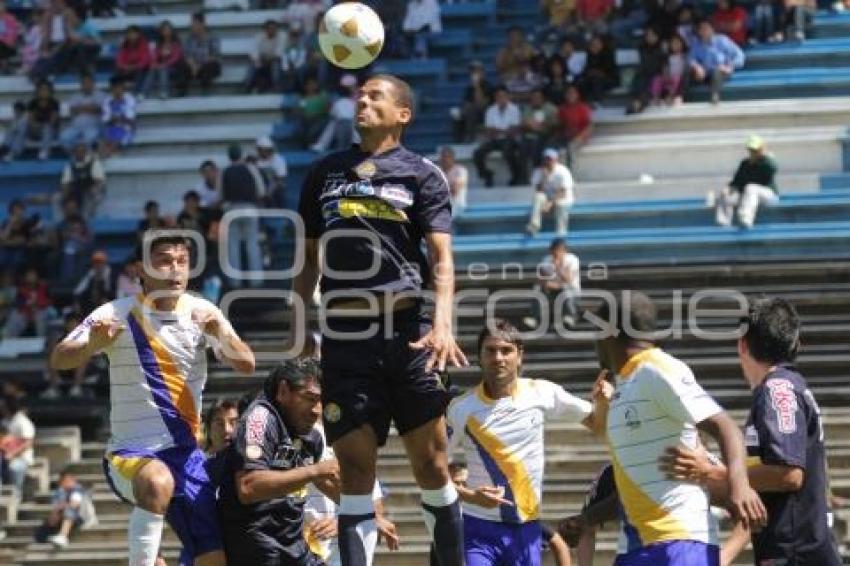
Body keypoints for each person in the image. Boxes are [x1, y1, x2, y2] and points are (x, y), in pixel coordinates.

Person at [292, 74, 468, 566]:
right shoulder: (324, 173)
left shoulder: (422, 174)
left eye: (375, 96)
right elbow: (307, 260)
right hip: (346, 341)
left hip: (408, 336)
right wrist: (302, 325)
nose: (362, 100)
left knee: (432, 465)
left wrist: (443, 324)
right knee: (354, 471)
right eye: (360, 95)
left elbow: (442, 259)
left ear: (403, 114)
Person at [49, 232, 255, 566]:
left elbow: (246, 364)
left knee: (216, 558)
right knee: (157, 481)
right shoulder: (116, 313)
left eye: (182, 262)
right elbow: (59, 359)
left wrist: (220, 334)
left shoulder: (203, 311)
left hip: (188, 456)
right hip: (130, 454)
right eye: (164, 260)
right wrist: (91, 344)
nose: (175, 269)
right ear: (139, 270)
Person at [660, 297, 842, 565]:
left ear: (742, 345)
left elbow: (789, 473)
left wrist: (712, 471)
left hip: (796, 554)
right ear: (797, 345)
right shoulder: (789, 386)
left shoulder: (776, 389)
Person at [595, 291, 766, 565]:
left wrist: (740, 484)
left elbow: (725, 426)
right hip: (636, 546)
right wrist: (586, 519)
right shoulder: (624, 384)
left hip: (680, 544)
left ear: (608, 332)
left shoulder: (658, 368)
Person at [446, 319, 611, 566]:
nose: (498, 358)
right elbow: (433, 474)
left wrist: (604, 403)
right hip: (477, 528)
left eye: (506, 350)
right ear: (479, 357)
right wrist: (471, 496)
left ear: (519, 356)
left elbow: (597, 425)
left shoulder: (542, 392)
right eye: (490, 350)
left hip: (526, 529)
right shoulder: (461, 408)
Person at [217, 360, 339, 564]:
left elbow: (325, 482)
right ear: (283, 391)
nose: (317, 410)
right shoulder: (260, 419)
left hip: (295, 548)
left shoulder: (310, 437)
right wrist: (316, 470)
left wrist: (360, 509)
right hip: (258, 549)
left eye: (321, 401)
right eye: (310, 398)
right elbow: (249, 486)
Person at [220, 143, 265, 289]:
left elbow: (221, 194)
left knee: (232, 246)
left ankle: (235, 282)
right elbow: (261, 191)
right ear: (241, 155)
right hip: (250, 208)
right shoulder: (250, 169)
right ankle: (256, 281)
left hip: (231, 209)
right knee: (252, 244)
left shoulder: (224, 171)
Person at [709, 135, 778, 228]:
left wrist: (765, 157)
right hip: (749, 197)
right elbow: (737, 181)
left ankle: (746, 218)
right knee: (727, 194)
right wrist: (728, 188)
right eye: (751, 150)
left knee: (750, 187)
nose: (753, 153)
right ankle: (723, 222)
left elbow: (774, 168)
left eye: (755, 150)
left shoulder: (767, 162)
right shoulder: (745, 164)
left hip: (768, 196)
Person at [523, 237, 580, 330]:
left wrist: (557, 266)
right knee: (537, 288)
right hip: (553, 289)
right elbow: (541, 279)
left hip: (571, 291)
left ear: (565, 251)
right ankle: (535, 318)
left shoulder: (572, 259)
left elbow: (568, 279)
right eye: (554, 250)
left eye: (559, 250)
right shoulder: (546, 260)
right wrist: (547, 284)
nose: (556, 253)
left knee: (566, 288)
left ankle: (570, 316)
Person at [473, 86, 522, 187]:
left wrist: (498, 130)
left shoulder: (514, 109)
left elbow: (514, 130)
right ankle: (487, 174)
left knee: (508, 151)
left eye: (503, 96)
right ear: (495, 98)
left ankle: (516, 176)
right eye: (499, 96)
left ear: (508, 97)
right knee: (478, 153)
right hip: (494, 140)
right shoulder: (490, 110)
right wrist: (504, 130)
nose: (501, 98)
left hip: (510, 140)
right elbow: (489, 131)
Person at [689, 19, 745, 104]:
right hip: (705, 73)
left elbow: (739, 55)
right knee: (687, 73)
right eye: (702, 29)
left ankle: (714, 95)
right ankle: (677, 97)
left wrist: (730, 66)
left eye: (707, 28)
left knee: (716, 71)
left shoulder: (722, 40)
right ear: (699, 32)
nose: (704, 31)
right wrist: (697, 67)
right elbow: (690, 58)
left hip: (721, 71)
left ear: (712, 29)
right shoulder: (696, 44)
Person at [3, 79, 60, 161]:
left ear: (50, 91)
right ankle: (13, 153)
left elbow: (52, 121)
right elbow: (29, 119)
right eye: (41, 89)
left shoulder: (54, 103)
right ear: (37, 91)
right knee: (23, 125)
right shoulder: (33, 103)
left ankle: (44, 152)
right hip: (34, 130)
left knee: (47, 127)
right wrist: (34, 124)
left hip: (50, 132)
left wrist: (38, 124)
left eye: (46, 90)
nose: (43, 92)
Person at [525, 149, 575, 237]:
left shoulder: (563, 171)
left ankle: (561, 232)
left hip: (562, 198)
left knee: (561, 204)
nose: (548, 161)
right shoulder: (538, 172)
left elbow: (563, 193)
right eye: (546, 159)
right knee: (538, 197)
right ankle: (534, 226)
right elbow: (539, 190)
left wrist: (550, 204)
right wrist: (544, 177)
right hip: (547, 198)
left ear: (556, 160)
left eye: (550, 159)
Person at [35, 469, 88, 548]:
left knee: (69, 511)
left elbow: (74, 504)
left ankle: (63, 536)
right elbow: (56, 506)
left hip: (79, 516)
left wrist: (60, 508)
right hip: (62, 516)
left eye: (68, 480)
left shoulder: (78, 489)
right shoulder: (59, 492)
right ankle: (44, 538)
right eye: (64, 480)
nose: (66, 482)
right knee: (48, 522)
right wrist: (55, 513)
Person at [59, 73, 107, 153]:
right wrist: (89, 108)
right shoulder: (76, 96)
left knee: (89, 138)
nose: (86, 85)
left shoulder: (101, 95)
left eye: (88, 82)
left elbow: (100, 109)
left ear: (93, 83)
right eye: (84, 83)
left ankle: (87, 158)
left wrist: (82, 108)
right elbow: (72, 110)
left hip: (92, 127)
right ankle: (76, 155)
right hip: (75, 127)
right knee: (64, 137)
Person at [59, 141, 106, 220]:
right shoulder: (70, 166)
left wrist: (93, 188)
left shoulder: (93, 162)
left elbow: (100, 180)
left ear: (85, 152)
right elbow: (65, 183)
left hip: (91, 190)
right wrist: (66, 192)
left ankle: (88, 219)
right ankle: (64, 221)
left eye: (82, 151)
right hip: (76, 191)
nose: (80, 153)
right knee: (57, 198)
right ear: (74, 153)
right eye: (77, 152)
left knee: (92, 194)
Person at [4, 267, 55, 339]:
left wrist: (37, 304)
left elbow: (49, 301)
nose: (31, 277)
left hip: (42, 310)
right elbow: (19, 303)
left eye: (33, 275)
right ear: (25, 277)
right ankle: (8, 340)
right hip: (26, 312)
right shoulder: (21, 288)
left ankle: (41, 341)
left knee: (40, 317)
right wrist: (28, 307)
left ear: (37, 276)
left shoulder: (43, 287)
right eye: (29, 275)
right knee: (15, 316)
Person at [142, 20, 187, 100]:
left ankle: (164, 92)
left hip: (174, 67)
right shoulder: (159, 44)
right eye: (164, 30)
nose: (166, 32)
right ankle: (144, 93)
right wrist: (155, 64)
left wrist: (164, 64)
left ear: (171, 31)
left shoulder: (175, 43)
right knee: (152, 69)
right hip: (161, 66)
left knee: (163, 69)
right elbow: (155, 56)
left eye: (168, 29)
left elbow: (176, 58)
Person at [180, 12, 222, 96]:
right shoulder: (189, 39)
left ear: (202, 24)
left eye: (195, 24)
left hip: (207, 65)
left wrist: (200, 65)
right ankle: (182, 93)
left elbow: (214, 55)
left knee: (210, 66)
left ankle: (205, 94)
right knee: (181, 65)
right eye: (192, 24)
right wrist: (193, 65)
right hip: (194, 68)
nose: (192, 26)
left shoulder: (212, 37)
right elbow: (187, 55)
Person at [626, 28, 665, 114]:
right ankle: (636, 103)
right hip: (642, 75)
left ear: (657, 37)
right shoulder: (641, 48)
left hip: (655, 77)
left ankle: (638, 104)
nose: (650, 38)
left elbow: (662, 68)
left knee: (648, 88)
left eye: (653, 35)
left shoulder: (662, 50)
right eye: (648, 36)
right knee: (639, 83)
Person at [452, 60, 492, 143]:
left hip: (486, 113)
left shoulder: (487, 85)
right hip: (471, 111)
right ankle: (458, 142)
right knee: (456, 115)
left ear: (482, 72)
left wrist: (477, 86)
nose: (474, 74)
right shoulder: (469, 88)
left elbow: (481, 103)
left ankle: (471, 138)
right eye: (473, 72)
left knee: (472, 111)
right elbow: (466, 102)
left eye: (477, 71)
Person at [3, 393, 35, 496]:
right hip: (5, 455)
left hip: (21, 458)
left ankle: (16, 497)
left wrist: (13, 454)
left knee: (14, 467)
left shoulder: (23, 422)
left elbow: (28, 443)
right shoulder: (6, 421)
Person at [521, 89, 559, 172]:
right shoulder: (527, 108)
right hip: (530, 135)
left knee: (537, 146)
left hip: (547, 136)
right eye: (533, 98)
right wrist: (529, 125)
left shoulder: (551, 108)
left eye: (538, 97)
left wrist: (546, 124)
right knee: (522, 147)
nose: (535, 99)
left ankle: (541, 172)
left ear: (543, 98)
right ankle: (523, 176)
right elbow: (523, 124)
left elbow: (557, 124)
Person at [100, 76, 137, 158]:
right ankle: (110, 152)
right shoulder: (107, 100)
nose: (117, 90)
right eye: (115, 88)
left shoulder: (129, 99)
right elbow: (105, 120)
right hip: (111, 127)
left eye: (119, 87)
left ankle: (108, 152)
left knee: (118, 138)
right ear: (111, 88)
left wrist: (116, 118)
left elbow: (130, 120)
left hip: (126, 128)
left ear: (123, 87)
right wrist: (114, 119)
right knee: (104, 137)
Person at [245, 19, 285, 94]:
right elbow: (253, 51)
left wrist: (269, 58)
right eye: (270, 28)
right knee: (253, 65)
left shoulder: (282, 36)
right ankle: (248, 88)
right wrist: (258, 59)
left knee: (276, 65)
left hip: (275, 61)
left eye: (274, 28)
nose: (272, 30)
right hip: (261, 60)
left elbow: (279, 53)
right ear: (265, 29)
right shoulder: (259, 36)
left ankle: (277, 88)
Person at [578, 35, 619, 106]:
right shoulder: (589, 56)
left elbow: (608, 71)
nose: (595, 47)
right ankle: (584, 103)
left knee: (596, 81)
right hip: (593, 79)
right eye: (593, 45)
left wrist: (594, 72)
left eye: (597, 44)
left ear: (602, 44)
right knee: (583, 82)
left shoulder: (608, 54)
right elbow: (586, 71)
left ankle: (597, 102)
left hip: (610, 79)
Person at [557, 86, 593, 163]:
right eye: (569, 93)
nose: (571, 96)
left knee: (570, 148)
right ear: (565, 95)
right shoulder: (562, 109)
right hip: (566, 137)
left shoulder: (583, 107)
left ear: (577, 95)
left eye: (573, 93)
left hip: (580, 136)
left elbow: (589, 126)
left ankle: (570, 170)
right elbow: (559, 125)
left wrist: (579, 137)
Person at [652, 34, 689, 106]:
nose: (676, 46)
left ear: (682, 44)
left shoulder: (685, 56)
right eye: (674, 44)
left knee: (676, 78)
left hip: (680, 79)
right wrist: (665, 74)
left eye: (678, 43)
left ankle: (670, 96)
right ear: (670, 45)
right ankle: (656, 97)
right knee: (657, 79)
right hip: (668, 77)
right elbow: (665, 68)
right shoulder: (667, 57)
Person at [113, 25, 152, 94]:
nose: (131, 35)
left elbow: (145, 60)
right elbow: (119, 60)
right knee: (116, 74)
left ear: (138, 34)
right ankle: (118, 93)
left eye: (134, 33)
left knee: (142, 71)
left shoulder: (144, 44)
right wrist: (125, 67)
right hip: (127, 68)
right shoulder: (124, 45)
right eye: (129, 33)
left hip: (139, 68)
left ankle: (136, 92)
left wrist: (134, 67)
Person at [255, 135, 288, 208]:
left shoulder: (278, 160)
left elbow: (279, 180)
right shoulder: (257, 162)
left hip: (276, 193)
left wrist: (269, 192)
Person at [438, 146, 468, 215]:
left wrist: (439, 188)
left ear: (453, 158)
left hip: (458, 210)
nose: (445, 159)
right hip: (440, 210)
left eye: (448, 157)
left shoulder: (461, 170)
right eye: (443, 157)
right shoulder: (437, 171)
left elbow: (455, 190)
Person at [0, 0, 20, 74]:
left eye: (1, 5)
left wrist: (10, 40)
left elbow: (13, 32)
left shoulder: (10, 18)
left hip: (7, 43)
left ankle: (4, 67)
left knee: (2, 45)